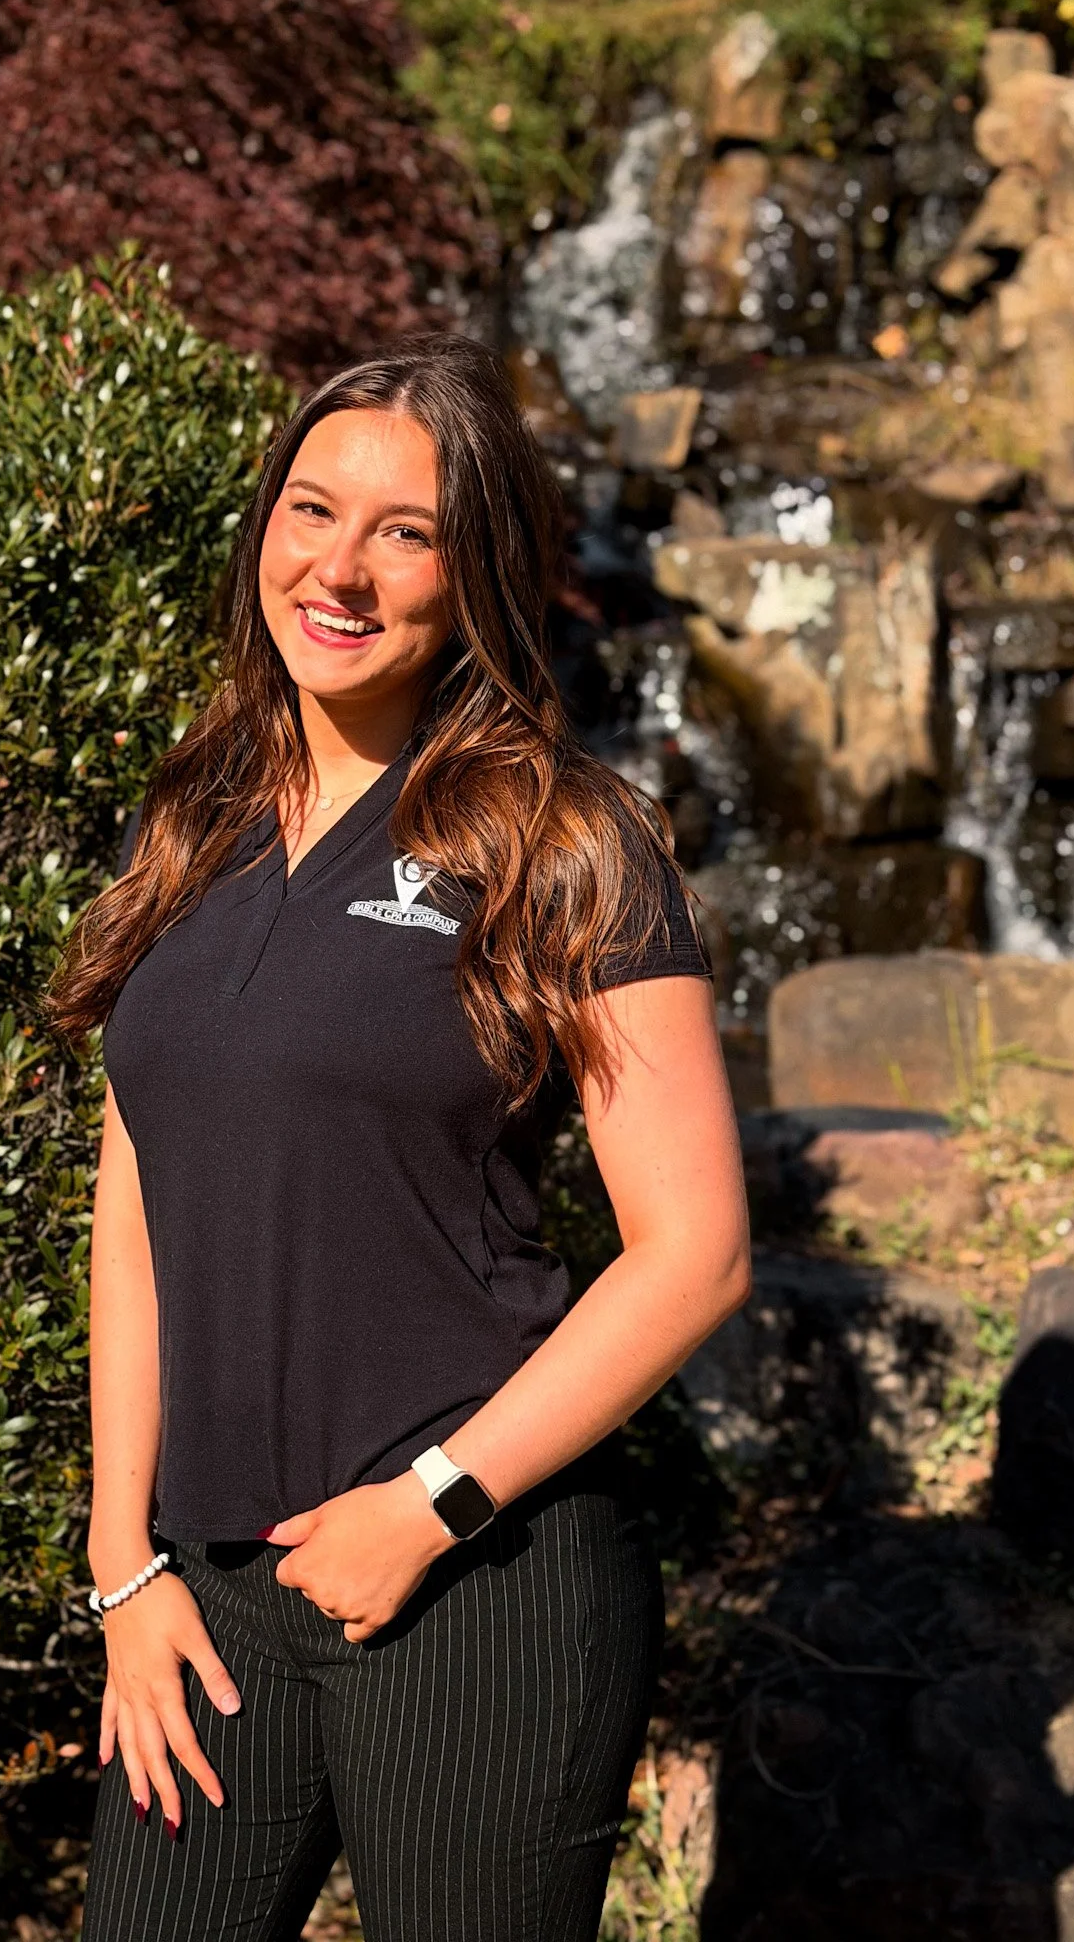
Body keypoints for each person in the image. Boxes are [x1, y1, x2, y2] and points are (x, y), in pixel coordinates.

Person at [50, 332, 750, 1942]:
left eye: (406, 532)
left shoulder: (563, 836)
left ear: (475, 573)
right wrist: (123, 1568)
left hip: (474, 1576)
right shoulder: (197, 818)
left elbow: (696, 1254)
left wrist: (432, 1500)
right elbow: (137, 1196)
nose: (341, 570)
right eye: (313, 511)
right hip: (208, 1594)